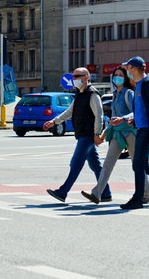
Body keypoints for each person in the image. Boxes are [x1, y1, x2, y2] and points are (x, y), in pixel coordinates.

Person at [81, 66, 149, 204]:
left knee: (138, 164)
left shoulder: (128, 93)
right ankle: (97, 193)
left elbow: (135, 113)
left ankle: (147, 193)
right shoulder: (115, 95)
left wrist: (124, 119)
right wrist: (103, 133)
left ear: (125, 78)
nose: (117, 77)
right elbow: (114, 118)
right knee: (107, 163)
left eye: (120, 75)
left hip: (131, 133)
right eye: (115, 75)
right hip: (117, 134)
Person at [43, 67, 112, 202]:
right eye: (73, 77)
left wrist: (97, 133)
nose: (74, 79)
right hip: (82, 133)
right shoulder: (80, 94)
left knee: (75, 163)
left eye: (78, 76)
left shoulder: (92, 94)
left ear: (87, 77)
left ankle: (63, 192)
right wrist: (54, 121)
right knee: (95, 165)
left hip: (88, 134)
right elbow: (70, 111)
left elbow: (99, 115)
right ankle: (106, 192)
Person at [117, 56, 149, 209]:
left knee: (137, 164)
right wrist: (133, 120)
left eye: (128, 68)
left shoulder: (147, 85)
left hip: (147, 130)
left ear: (134, 68)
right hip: (141, 128)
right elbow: (141, 110)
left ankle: (138, 199)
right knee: (143, 165)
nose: (126, 71)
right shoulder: (139, 85)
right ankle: (138, 198)